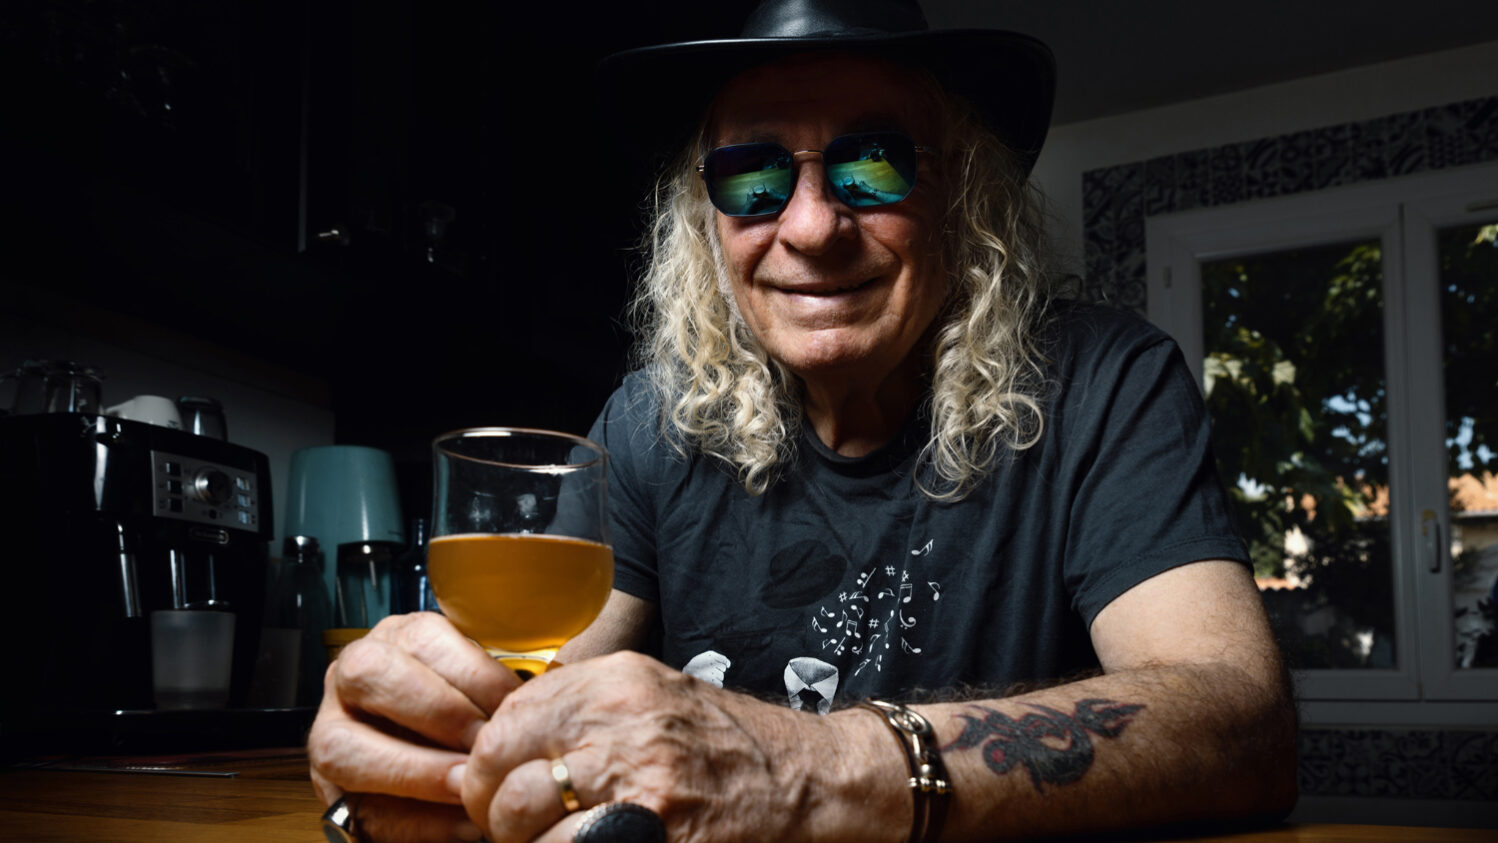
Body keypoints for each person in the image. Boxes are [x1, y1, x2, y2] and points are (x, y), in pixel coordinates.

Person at [308, 1, 1298, 841]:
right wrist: (413, 743)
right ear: (708, 223)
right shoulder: (647, 423)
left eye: (872, 166)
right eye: (751, 176)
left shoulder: (1104, 382)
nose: (814, 226)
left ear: (959, 194)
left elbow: (1238, 724)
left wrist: (816, 772)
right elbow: (525, 705)